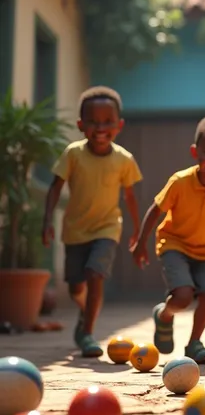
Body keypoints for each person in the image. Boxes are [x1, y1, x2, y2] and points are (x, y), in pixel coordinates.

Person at [132, 114, 205, 364]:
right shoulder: (180, 182)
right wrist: (140, 244)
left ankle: (194, 343)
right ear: (195, 152)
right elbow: (156, 210)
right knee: (182, 297)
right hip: (174, 244)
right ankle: (165, 315)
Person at [42, 86, 142, 358]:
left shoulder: (124, 159)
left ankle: (87, 332)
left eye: (107, 121)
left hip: (108, 227)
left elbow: (130, 196)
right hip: (75, 230)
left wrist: (138, 230)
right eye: (93, 122)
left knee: (96, 274)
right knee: (76, 286)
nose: (100, 127)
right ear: (80, 125)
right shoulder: (73, 154)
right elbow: (54, 187)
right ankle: (84, 314)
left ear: (119, 125)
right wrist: (47, 220)